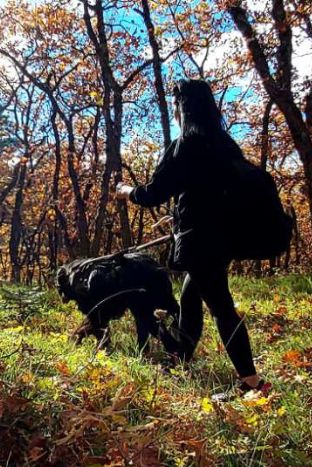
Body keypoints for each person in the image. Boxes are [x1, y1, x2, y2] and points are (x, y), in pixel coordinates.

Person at [115, 79, 270, 401]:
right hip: (226, 236)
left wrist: (128, 192)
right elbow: (212, 193)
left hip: (203, 241)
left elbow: (154, 193)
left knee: (222, 308)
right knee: (189, 296)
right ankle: (181, 357)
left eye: (175, 107)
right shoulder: (224, 144)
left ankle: (251, 381)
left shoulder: (186, 144)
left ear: (181, 109)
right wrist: (182, 214)